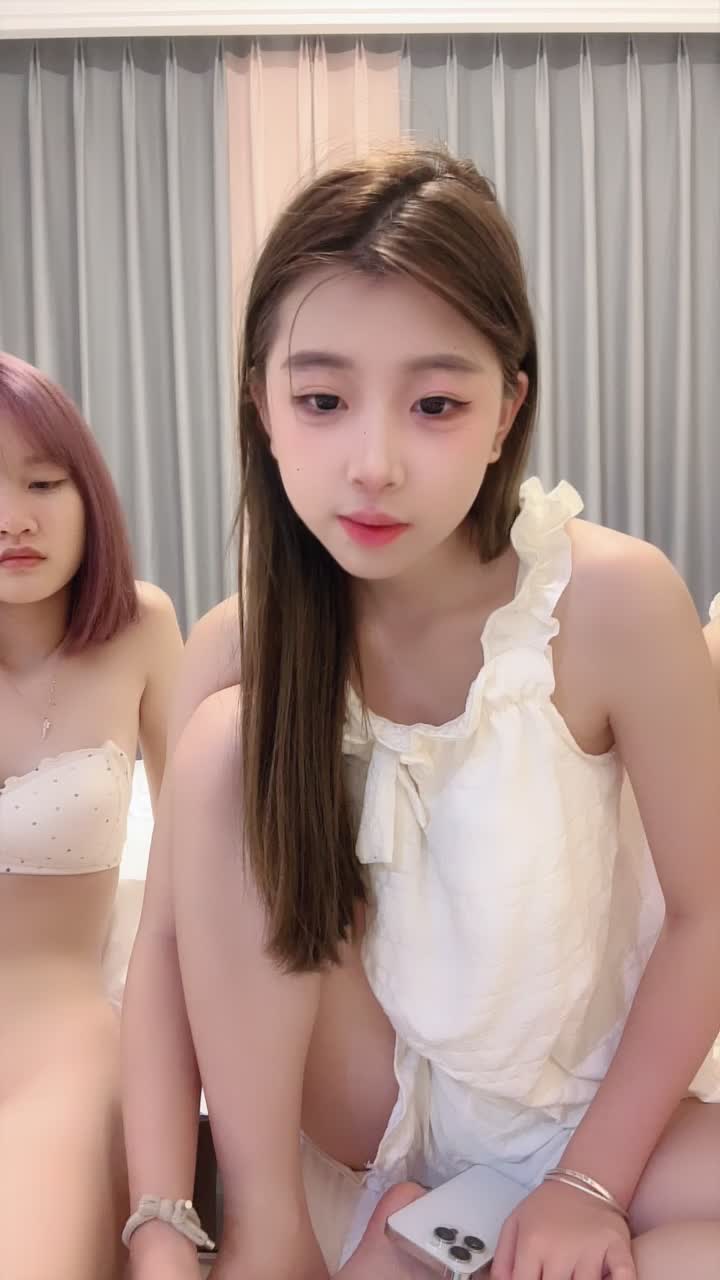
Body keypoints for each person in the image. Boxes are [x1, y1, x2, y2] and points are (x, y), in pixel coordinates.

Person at [122, 147, 720, 1280]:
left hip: (578, 1108)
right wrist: (161, 1222)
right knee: (224, 748)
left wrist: (586, 1185)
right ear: (263, 408)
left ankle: (438, 1242)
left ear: (507, 412)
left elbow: (707, 914)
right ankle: (276, 1240)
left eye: (437, 403)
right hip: (366, 1119)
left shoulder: (613, 603)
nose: (375, 464)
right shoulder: (239, 645)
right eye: (322, 400)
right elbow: (163, 954)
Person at [0, 352, 183, 1280]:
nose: (13, 519)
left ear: (89, 494)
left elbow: (206, 859)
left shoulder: (139, 631)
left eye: (42, 483)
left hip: (57, 1039)